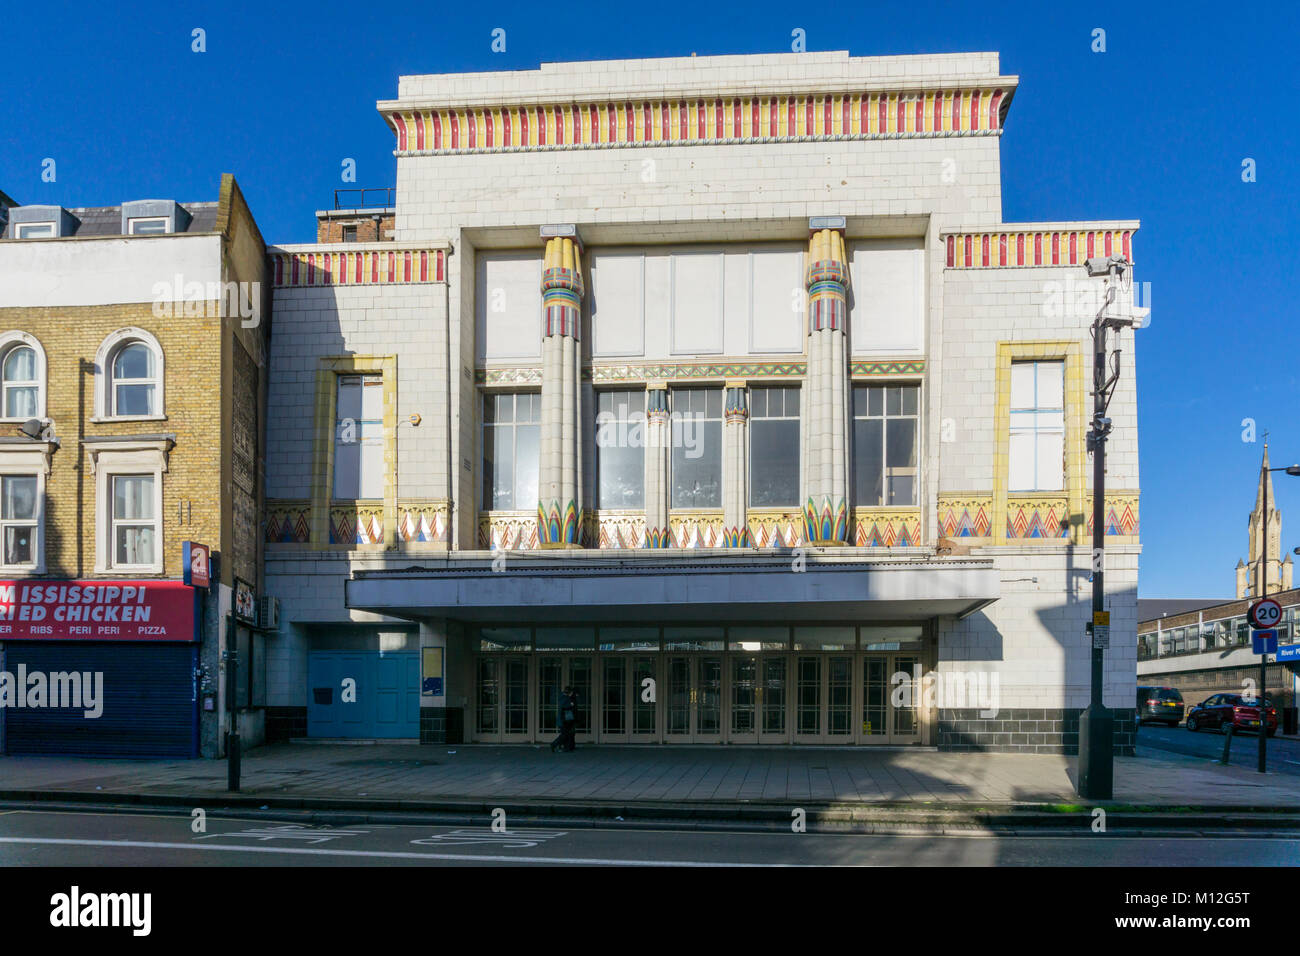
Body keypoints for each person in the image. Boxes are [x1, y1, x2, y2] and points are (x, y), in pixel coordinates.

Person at [551, 685, 577, 753]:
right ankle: (554, 744)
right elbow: (571, 706)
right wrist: (572, 701)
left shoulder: (561, 697)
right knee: (564, 734)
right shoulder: (566, 699)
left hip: (561, 720)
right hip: (564, 720)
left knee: (565, 734)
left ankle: (563, 746)